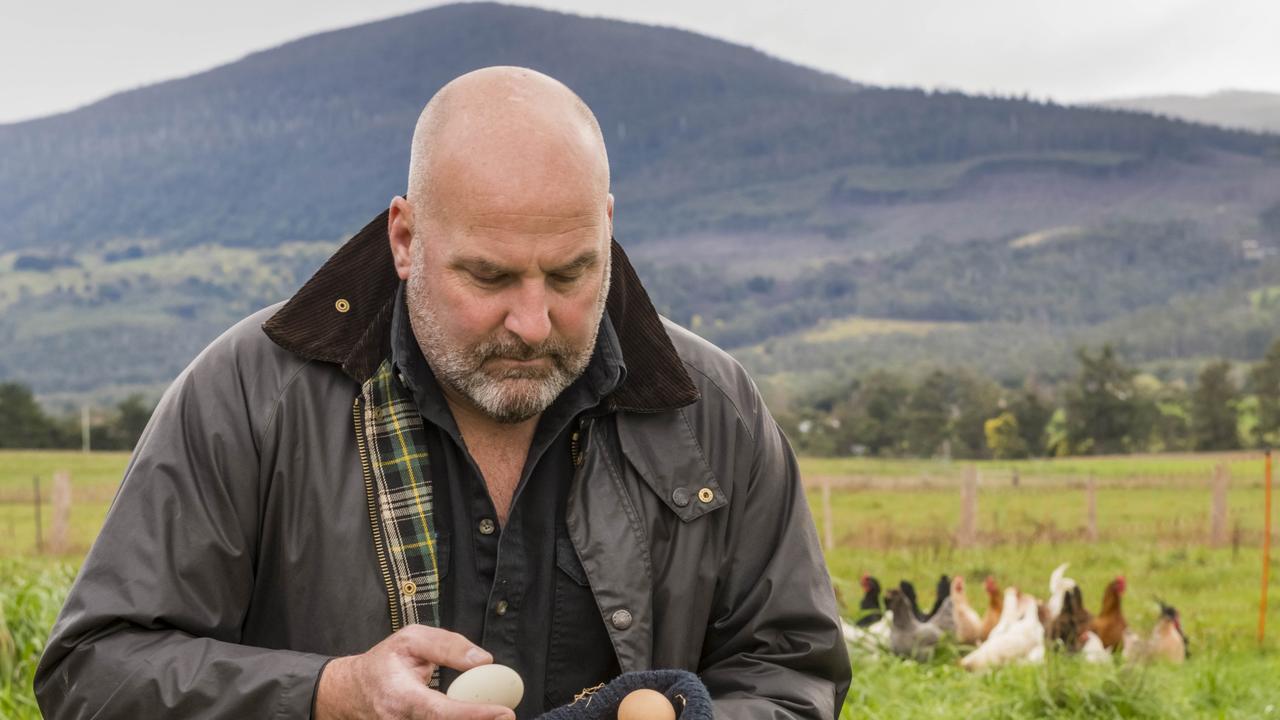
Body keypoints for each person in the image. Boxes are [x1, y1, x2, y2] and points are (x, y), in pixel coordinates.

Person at [35, 66, 850, 719]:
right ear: (405, 238)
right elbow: (93, 673)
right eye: (488, 276)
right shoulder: (249, 395)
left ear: (606, 225)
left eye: (571, 272)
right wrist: (331, 695)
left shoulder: (714, 409)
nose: (533, 322)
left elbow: (793, 669)